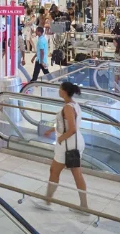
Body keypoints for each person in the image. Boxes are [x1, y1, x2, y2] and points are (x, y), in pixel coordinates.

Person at [34, 82, 89, 213]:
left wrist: (60, 138)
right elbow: (64, 124)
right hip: (74, 144)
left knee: (55, 171)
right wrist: (52, 131)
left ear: (64, 91)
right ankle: (84, 206)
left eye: (59, 88)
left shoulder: (68, 108)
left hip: (67, 145)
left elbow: (72, 129)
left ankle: (48, 201)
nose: (58, 90)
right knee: (75, 174)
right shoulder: (74, 105)